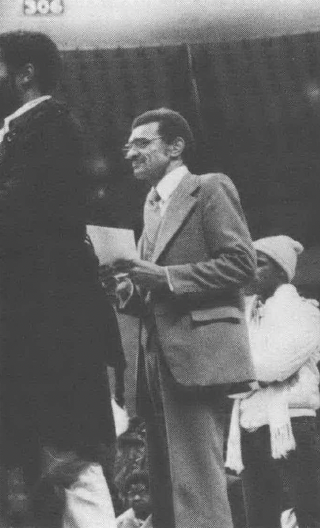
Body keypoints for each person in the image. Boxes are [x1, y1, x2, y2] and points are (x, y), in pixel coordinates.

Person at [0, 30, 125, 528]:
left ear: (25, 75)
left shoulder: (52, 129)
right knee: (48, 465)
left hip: (53, 325)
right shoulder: (30, 132)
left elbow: (7, 214)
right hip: (40, 322)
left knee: (68, 461)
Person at [108, 107, 255, 527]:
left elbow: (241, 264)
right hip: (156, 356)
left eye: (141, 143)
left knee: (197, 481)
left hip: (195, 352)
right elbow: (148, 290)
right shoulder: (150, 206)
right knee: (167, 482)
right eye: (127, 146)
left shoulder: (209, 188)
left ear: (175, 147)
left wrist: (165, 275)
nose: (130, 154)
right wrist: (123, 288)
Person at [224, 235, 320, 527]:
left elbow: (276, 365)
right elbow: (231, 361)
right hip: (251, 423)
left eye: (259, 263)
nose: (250, 270)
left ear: (281, 271)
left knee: (310, 513)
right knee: (259, 518)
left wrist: (239, 374)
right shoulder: (244, 315)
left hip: (292, 423)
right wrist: (246, 372)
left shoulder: (306, 311)